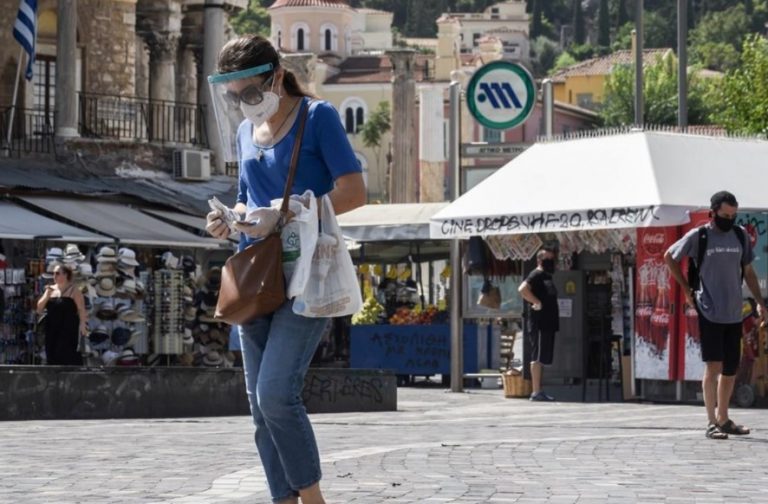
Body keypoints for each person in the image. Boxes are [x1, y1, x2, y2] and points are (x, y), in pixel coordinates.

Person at [205, 35, 365, 504]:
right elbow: (246, 195)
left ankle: (311, 498)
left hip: (309, 273)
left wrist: (292, 211)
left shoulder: (318, 118)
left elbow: (355, 193)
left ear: (276, 76)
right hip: (257, 274)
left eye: (251, 93)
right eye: (234, 97)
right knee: (259, 407)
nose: (244, 104)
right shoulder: (242, 133)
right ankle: (284, 499)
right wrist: (228, 217)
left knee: (276, 393)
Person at [665, 190, 766, 440]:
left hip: (734, 311)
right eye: (724, 215)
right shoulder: (699, 236)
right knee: (713, 366)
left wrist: (760, 301)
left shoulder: (740, 235)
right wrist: (687, 290)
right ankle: (711, 422)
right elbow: (669, 256)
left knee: (731, 369)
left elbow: (749, 272)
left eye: (733, 215)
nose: (729, 219)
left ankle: (724, 418)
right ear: (713, 213)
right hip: (709, 309)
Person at [518, 248, 559, 401]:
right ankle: (535, 391)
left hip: (548, 322)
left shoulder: (547, 276)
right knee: (537, 356)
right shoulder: (536, 274)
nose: (550, 262)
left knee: (543, 357)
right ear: (540, 260)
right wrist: (536, 302)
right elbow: (522, 289)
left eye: (552, 259)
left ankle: (540, 389)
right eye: (547, 259)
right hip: (539, 322)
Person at [36, 264, 88, 366]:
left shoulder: (74, 291)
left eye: (57, 273)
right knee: (52, 353)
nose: (54, 276)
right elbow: (39, 309)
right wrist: (47, 295)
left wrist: (83, 325)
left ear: (66, 275)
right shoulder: (49, 290)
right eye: (54, 273)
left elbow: (81, 309)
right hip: (52, 328)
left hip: (68, 328)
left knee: (66, 353)